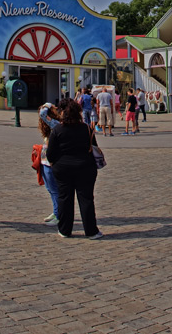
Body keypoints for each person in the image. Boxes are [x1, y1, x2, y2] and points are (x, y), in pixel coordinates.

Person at [47, 98, 103, 239]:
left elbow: (50, 154)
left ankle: (65, 230)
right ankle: (91, 231)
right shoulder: (86, 128)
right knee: (86, 199)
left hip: (63, 168)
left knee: (64, 198)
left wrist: (55, 163)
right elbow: (93, 147)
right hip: (84, 166)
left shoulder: (57, 130)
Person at [36, 115, 61, 227]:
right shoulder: (49, 127)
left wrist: (48, 106)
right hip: (44, 161)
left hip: (51, 162)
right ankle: (56, 211)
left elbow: (43, 113)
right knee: (50, 189)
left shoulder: (55, 124)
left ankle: (58, 214)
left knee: (55, 190)